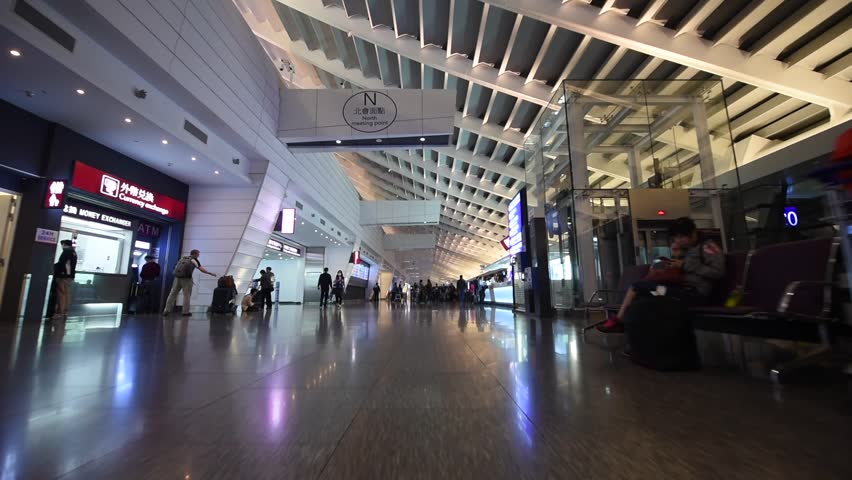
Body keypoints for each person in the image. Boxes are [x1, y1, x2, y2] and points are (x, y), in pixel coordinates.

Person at [598, 217, 724, 333]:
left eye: (681, 237)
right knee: (643, 297)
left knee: (640, 287)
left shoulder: (708, 247)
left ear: (692, 233)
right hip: (677, 292)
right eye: (676, 237)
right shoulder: (689, 248)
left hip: (693, 295)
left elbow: (717, 272)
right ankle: (636, 338)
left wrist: (684, 265)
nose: (678, 241)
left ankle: (621, 322)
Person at [163, 249, 217, 317]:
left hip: (177, 278)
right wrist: (210, 273)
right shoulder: (194, 260)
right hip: (186, 279)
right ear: (194, 254)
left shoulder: (183, 258)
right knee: (187, 295)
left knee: (172, 294)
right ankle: (185, 312)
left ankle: (166, 310)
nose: (198, 255)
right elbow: (201, 268)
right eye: (198, 254)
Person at [53, 239, 77, 319]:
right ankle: (65, 312)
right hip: (70, 276)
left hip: (63, 276)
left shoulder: (66, 252)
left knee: (61, 294)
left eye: (62, 244)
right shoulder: (74, 252)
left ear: (64, 244)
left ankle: (60, 312)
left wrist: (61, 272)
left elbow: (63, 263)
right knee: (67, 294)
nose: (62, 246)